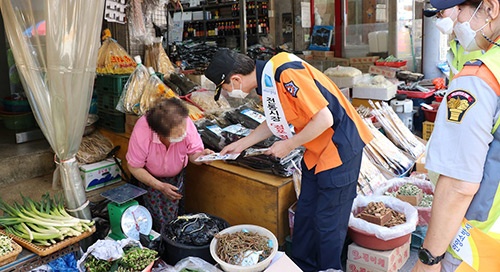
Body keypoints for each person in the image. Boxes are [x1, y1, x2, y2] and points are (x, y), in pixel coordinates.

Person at [204, 49, 373, 271]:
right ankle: (301, 266)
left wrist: (288, 144)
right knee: (305, 214)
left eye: (226, 89)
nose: (229, 93)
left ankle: (329, 268)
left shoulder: (285, 72)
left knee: (328, 222)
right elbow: (275, 121)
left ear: (235, 79)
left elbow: (324, 118)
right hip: (315, 152)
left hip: (339, 148)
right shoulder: (268, 80)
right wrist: (243, 143)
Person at [413, 0, 500, 271]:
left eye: (459, 11)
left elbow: (459, 184)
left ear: (490, 9)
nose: (455, 21)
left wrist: (429, 259)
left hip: (475, 233)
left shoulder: (480, 76)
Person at [126, 98, 213, 232]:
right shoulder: (143, 130)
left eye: (184, 129)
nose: (184, 134)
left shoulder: (184, 122)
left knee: (175, 216)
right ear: (160, 134)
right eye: (178, 134)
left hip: (176, 175)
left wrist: (202, 156)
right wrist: (159, 186)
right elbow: (134, 166)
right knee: (153, 218)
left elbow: (193, 154)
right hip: (149, 178)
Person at [424, 5, 483, 79]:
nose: (439, 19)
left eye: (442, 12)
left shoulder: (482, 40)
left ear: (459, 8)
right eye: (437, 16)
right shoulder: (456, 43)